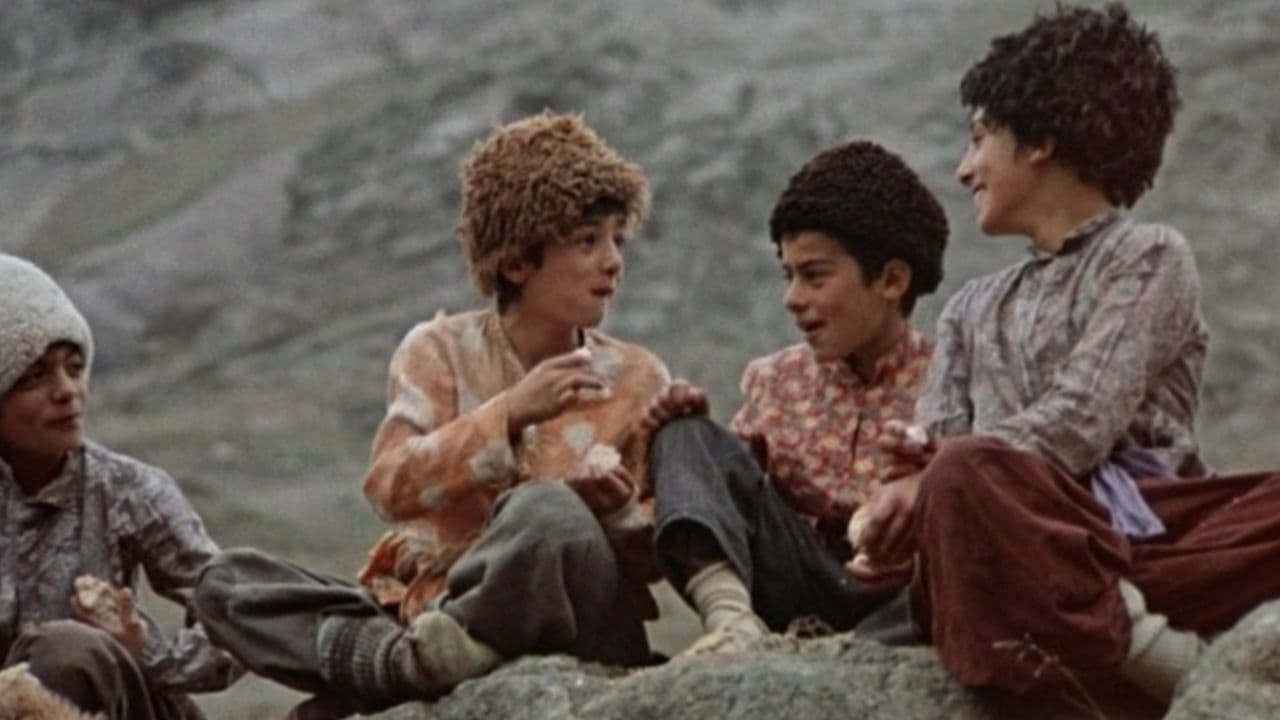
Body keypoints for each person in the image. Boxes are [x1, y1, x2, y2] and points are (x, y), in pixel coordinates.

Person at [854, 2, 1280, 706]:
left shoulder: (1149, 256)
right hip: (1020, 545)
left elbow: (1081, 420)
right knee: (963, 482)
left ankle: (1112, 634)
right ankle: (1171, 665)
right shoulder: (969, 308)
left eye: (979, 140)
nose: (963, 169)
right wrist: (900, 504)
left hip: (1149, 539)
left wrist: (939, 476)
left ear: (1041, 141)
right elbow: (945, 465)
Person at [194, 112, 671, 718]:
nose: (613, 261)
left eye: (618, 240)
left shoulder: (638, 379)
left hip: (576, 623)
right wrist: (507, 414)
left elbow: (657, 557)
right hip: (431, 611)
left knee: (547, 512)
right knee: (228, 583)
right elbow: (390, 486)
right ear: (516, 262)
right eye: (587, 241)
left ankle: (400, 667)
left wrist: (617, 514)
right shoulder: (438, 350)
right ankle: (419, 660)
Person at [643, 139, 948, 653]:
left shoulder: (952, 381)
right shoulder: (774, 379)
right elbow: (730, 493)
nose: (793, 299)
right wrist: (688, 443)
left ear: (892, 280)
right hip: (797, 587)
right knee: (686, 435)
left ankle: (866, 650)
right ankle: (731, 621)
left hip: (906, 600)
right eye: (789, 276)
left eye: (814, 276)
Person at [0, 254, 242, 720]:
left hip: (129, 710)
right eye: (33, 377)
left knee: (69, 651)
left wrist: (146, 650)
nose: (67, 391)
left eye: (75, 368)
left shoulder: (127, 489)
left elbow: (237, 620)